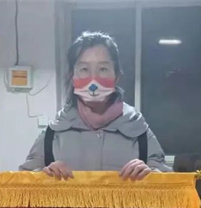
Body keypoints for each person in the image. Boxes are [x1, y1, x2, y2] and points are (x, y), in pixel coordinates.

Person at [20, 32, 168, 180]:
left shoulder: (138, 130)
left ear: (116, 76)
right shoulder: (54, 133)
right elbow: (23, 181)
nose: (93, 79)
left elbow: (169, 182)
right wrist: (44, 175)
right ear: (73, 77)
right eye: (84, 69)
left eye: (103, 69)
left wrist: (151, 174)